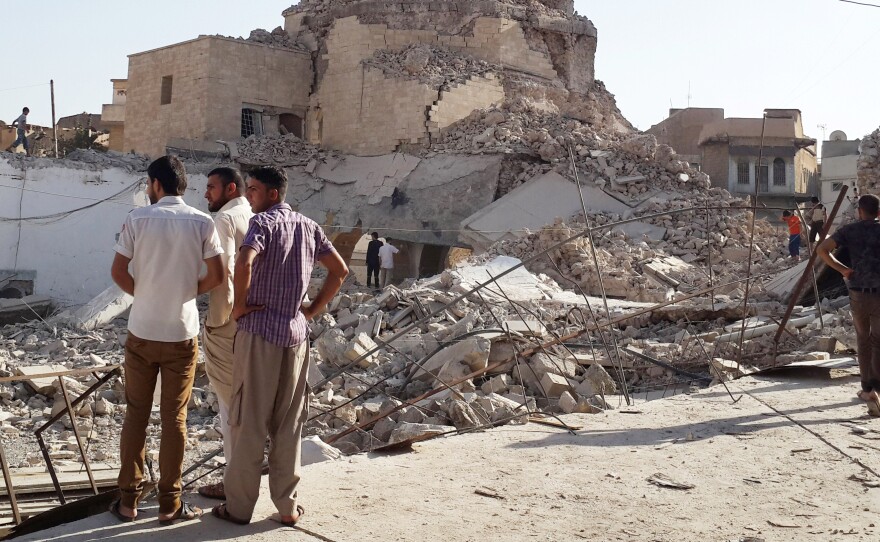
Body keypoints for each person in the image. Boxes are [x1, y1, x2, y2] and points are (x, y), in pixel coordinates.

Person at [212, 166, 348, 526]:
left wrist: (239, 305)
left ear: (272, 194)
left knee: (248, 420)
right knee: (289, 424)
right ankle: (287, 506)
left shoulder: (263, 224)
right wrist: (313, 311)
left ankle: (239, 508)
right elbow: (340, 271)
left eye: (254, 190)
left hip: (258, 333)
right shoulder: (309, 226)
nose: (250, 196)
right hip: (295, 334)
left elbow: (244, 261)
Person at [109, 156, 224, 524]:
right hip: (181, 333)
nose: (147, 189)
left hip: (142, 332)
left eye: (148, 183)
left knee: (136, 415)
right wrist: (187, 292)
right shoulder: (202, 221)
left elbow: (118, 271)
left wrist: (143, 295)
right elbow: (217, 275)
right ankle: (169, 505)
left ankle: (128, 501)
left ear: (156, 184)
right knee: (175, 418)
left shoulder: (137, 219)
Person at [198, 167, 253, 500]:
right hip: (253, 324)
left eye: (211, 187)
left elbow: (224, 276)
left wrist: (219, 321)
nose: (207, 194)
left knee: (230, 406)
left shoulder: (224, 220)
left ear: (230, 188)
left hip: (229, 324)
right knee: (248, 404)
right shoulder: (252, 213)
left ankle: (235, 484)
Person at [818, 194, 880, 417]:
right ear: (879, 212)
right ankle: (878, 390)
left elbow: (822, 249)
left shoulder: (850, 231)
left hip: (858, 295)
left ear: (860, 212)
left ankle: (868, 391)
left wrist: (843, 269)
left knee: (863, 340)